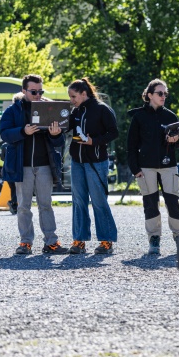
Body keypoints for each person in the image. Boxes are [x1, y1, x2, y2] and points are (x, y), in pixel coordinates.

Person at [0, 74, 67, 255]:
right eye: (33, 92)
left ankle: (51, 242)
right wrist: (23, 131)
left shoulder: (49, 108)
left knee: (46, 205)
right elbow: (4, 134)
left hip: (45, 165)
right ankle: (25, 242)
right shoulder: (13, 110)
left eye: (40, 92)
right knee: (23, 206)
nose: (38, 95)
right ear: (24, 91)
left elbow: (60, 140)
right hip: (22, 167)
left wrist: (55, 134)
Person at [127, 79, 179, 255]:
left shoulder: (171, 116)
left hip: (169, 166)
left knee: (173, 202)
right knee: (150, 204)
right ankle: (154, 238)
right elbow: (131, 145)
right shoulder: (139, 117)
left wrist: (176, 139)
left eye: (165, 93)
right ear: (150, 95)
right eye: (160, 93)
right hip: (146, 167)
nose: (163, 96)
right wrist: (135, 169)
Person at [67, 78, 118, 254]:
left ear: (84, 94)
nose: (71, 100)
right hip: (77, 162)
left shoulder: (103, 109)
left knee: (98, 201)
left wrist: (93, 141)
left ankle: (106, 241)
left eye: (73, 96)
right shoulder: (75, 111)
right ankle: (79, 241)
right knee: (78, 202)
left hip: (96, 162)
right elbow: (66, 128)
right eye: (70, 97)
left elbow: (114, 133)